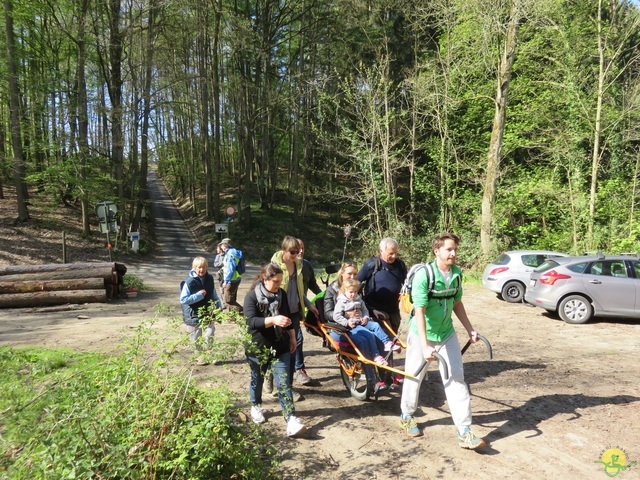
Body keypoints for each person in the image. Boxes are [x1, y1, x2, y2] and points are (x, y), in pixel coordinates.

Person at [399, 233, 486, 450]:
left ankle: (464, 431)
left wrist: (470, 329)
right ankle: (407, 415)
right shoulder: (424, 275)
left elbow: (457, 303)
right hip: (422, 334)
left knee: (456, 379)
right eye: (449, 249)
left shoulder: (456, 274)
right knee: (414, 376)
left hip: (447, 334)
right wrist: (424, 344)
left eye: (455, 249)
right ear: (437, 251)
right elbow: (419, 310)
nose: (453, 253)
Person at [243, 263, 307, 437]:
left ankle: (291, 419)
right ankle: (256, 405)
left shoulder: (281, 294)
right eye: (276, 281)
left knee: (284, 382)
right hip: (258, 348)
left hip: (280, 346)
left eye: (280, 281)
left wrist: (293, 337)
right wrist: (273, 320)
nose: (279, 285)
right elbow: (251, 322)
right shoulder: (252, 297)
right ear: (265, 279)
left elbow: (288, 317)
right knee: (258, 378)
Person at [324, 261, 387, 392]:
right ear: (342, 274)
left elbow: (362, 305)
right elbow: (328, 313)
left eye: (355, 274)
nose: (352, 277)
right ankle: (371, 379)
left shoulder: (357, 287)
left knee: (382, 335)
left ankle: (385, 375)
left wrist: (370, 312)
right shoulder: (332, 289)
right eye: (349, 274)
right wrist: (347, 316)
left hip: (358, 324)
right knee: (364, 340)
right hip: (340, 327)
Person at [271, 236, 320, 386]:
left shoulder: (299, 265)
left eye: (298, 251)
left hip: (294, 312)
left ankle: (292, 379)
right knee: (278, 345)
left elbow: (299, 290)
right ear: (283, 250)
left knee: (295, 342)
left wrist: (309, 304)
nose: (296, 254)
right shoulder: (274, 267)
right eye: (293, 252)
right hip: (278, 313)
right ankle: (270, 376)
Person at [334, 278, 401, 355]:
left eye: (355, 292)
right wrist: (347, 322)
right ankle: (375, 355)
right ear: (344, 292)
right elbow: (336, 316)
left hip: (362, 321)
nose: (353, 294)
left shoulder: (358, 300)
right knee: (369, 334)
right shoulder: (341, 302)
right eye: (351, 292)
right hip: (353, 325)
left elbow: (365, 310)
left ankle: (387, 343)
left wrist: (366, 317)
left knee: (376, 325)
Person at [358, 237, 407, 334]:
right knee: (383, 339)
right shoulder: (372, 264)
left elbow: (408, 283)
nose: (394, 256)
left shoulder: (400, 265)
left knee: (392, 339)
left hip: (393, 310)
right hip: (375, 310)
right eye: (391, 253)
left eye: (396, 253)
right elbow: (355, 283)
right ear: (381, 251)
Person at [180, 257, 223, 360]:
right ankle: (199, 357)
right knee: (196, 337)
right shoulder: (188, 282)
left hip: (208, 312)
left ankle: (209, 354)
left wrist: (219, 306)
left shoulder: (209, 279)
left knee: (210, 333)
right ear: (194, 268)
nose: (201, 270)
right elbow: (183, 299)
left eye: (203, 267)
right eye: (199, 267)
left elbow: (214, 294)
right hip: (193, 314)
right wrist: (198, 295)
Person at [219, 238, 244, 313]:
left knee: (227, 301)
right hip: (236, 278)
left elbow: (230, 269)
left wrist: (226, 281)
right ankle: (234, 316)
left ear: (225, 245)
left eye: (222, 245)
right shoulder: (234, 252)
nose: (221, 247)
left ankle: (245, 312)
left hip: (231, 280)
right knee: (232, 299)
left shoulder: (230, 254)